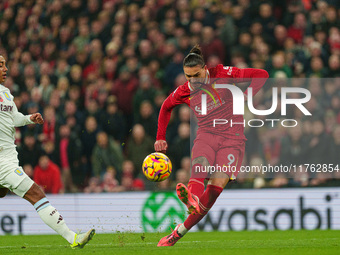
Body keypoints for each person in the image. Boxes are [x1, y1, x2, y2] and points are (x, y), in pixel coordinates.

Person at [154, 45, 268, 246]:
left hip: (232, 140)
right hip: (206, 135)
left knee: (215, 189)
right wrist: (160, 137)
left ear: (205, 68)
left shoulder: (222, 74)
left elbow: (261, 74)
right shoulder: (185, 90)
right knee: (199, 164)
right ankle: (192, 199)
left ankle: (177, 233)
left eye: (196, 75)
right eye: (188, 77)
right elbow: (165, 107)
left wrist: (247, 96)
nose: (193, 81)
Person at [0, 55, 95, 248]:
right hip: (3, 161)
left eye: (5, 64)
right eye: (0, 65)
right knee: (36, 194)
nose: (6, 68)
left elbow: (14, 118)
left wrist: (29, 119)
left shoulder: (5, 93)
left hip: (10, 157)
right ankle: (73, 238)